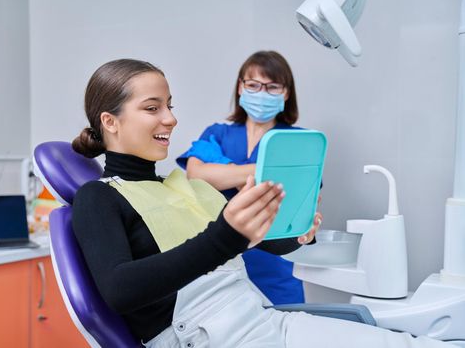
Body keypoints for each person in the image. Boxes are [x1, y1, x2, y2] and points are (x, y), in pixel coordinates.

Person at [71, 58, 453, 347]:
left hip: (263, 320)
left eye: (170, 105)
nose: (170, 119)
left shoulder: (184, 186)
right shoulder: (100, 197)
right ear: (110, 121)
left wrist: (297, 229)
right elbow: (120, 291)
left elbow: (268, 242)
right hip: (208, 336)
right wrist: (226, 236)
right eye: (153, 108)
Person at [176, 50, 314, 305]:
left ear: (285, 92)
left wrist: (224, 172)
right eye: (253, 85)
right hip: (219, 262)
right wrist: (265, 174)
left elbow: (300, 198)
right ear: (241, 88)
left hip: (276, 263)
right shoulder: (216, 133)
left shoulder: (300, 140)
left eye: (272, 86)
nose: (262, 93)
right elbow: (196, 175)